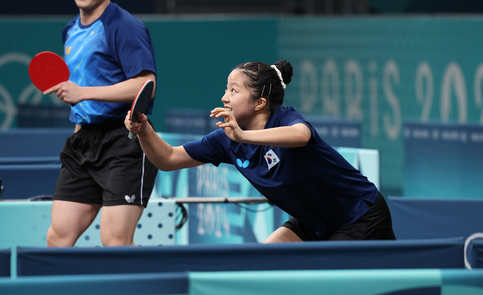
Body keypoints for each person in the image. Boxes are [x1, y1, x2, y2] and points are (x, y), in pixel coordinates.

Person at [126, 60, 396, 242]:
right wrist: (145, 130)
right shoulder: (226, 139)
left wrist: (244, 135)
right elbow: (167, 159)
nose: (224, 97)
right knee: (261, 264)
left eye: (233, 90)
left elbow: (302, 136)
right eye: (225, 89)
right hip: (313, 220)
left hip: (360, 214)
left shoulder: (285, 119)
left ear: (260, 103)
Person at [44, 0, 158, 247]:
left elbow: (144, 84)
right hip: (83, 143)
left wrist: (83, 93)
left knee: (115, 241)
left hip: (124, 142)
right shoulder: (70, 30)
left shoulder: (124, 26)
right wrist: (80, 124)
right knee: (58, 238)